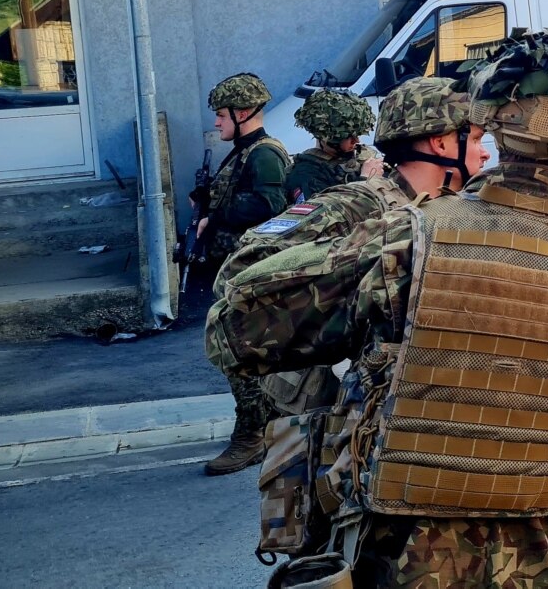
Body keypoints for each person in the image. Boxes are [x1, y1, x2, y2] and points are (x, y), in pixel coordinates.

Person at [210, 26, 548, 587]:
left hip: (411, 550)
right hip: (523, 552)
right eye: (473, 137)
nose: (482, 149)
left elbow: (235, 328)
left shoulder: (414, 236)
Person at [208, 77, 486, 418]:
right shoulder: (357, 205)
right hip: (345, 411)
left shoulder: (448, 209)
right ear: (440, 143)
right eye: (475, 139)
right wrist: (345, 300)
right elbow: (239, 271)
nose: (485, 152)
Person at [197, 72, 292, 477]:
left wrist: (217, 214)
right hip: (235, 270)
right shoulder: (243, 152)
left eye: (222, 115)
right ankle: (265, 426)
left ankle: (252, 434)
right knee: (242, 349)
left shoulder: (264, 153)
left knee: (238, 349)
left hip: (251, 272)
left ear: (243, 112)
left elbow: (270, 206)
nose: (217, 122)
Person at [283, 88, 382, 203]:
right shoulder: (306, 175)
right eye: (348, 136)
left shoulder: (360, 155)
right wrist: (366, 180)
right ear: (327, 137)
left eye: (358, 134)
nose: (356, 140)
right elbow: (327, 212)